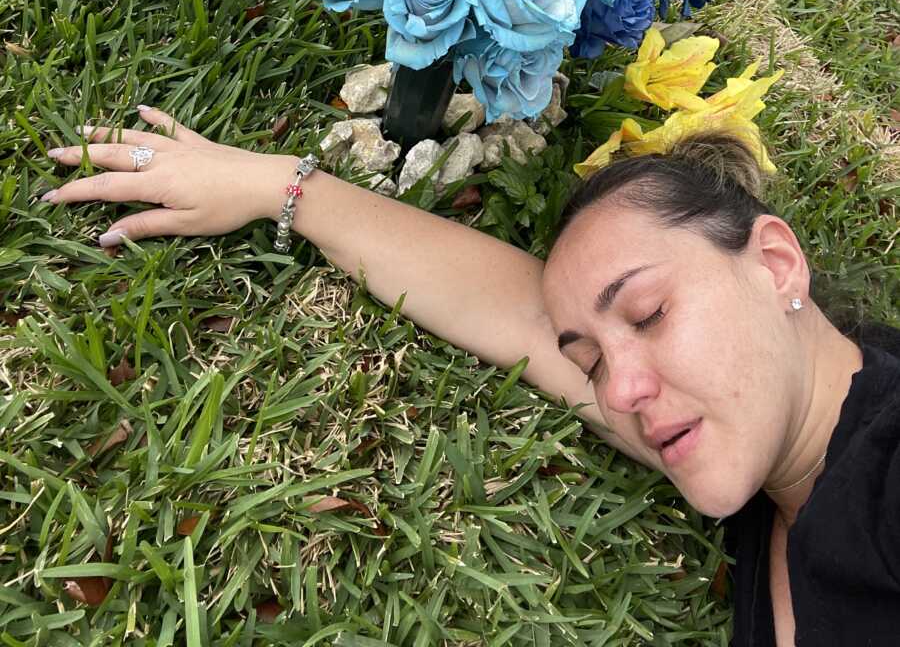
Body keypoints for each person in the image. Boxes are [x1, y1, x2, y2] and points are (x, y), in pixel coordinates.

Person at [41, 108, 900, 645]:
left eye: (649, 315)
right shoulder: (777, 475)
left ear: (777, 264)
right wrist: (278, 187)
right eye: (590, 363)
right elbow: (522, 314)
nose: (621, 393)